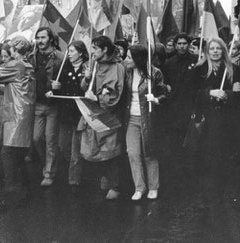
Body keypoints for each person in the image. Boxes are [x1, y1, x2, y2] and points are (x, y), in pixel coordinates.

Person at [70, 36, 125, 200]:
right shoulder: (92, 65)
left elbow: (117, 94)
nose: (91, 51)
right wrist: (86, 79)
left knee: (111, 150)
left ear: (105, 49)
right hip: (91, 114)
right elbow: (84, 88)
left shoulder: (118, 68)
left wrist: (100, 99)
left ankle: (115, 185)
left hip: (108, 115)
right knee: (94, 149)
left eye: (94, 48)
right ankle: (104, 177)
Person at [190, 37, 240, 216]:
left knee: (224, 158)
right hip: (206, 121)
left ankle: (222, 197)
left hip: (227, 121)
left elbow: (238, 93)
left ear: (224, 50)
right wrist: (209, 92)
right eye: (212, 48)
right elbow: (190, 94)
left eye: (219, 48)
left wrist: (227, 95)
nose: (215, 51)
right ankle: (204, 197)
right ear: (207, 51)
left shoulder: (234, 70)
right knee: (205, 159)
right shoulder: (200, 70)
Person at [0, 36, 36, 201]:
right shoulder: (26, 64)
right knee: (17, 155)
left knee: (7, 153)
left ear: (15, 50)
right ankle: (25, 189)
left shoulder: (16, 64)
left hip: (16, 114)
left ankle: (11, 191)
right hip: (22, 112)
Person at [122, 44, 168, 200]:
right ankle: (139, 187)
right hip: (131, 118)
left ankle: (153, 186)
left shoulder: (155, 73)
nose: (125, 60)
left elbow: (164, 94)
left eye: (129, 57)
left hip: (148, 118)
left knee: (149, 152)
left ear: (138, 59)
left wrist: (155, 99)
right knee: (133, 153)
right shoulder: (126, 72)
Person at [29, 26, 64, 186]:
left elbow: (69, 81)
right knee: (36, 138)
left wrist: (59, 86)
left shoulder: (60, 58)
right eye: (38, 38)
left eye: (43, 37)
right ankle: (47, 163)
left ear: (50, 39)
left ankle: (49, 173)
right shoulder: (31, 57)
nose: (40, 41)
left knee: (50, 140)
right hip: (37, 104)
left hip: (53, 106)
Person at [50, 41, 89, 162]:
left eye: (72, 51)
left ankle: (74, 179)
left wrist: (87, 78)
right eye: (68, 51)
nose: (69, 54)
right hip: (65, 113)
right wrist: (54, 88)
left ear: (81, 53)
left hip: (79, 113)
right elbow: (59, 90)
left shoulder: (87, 68)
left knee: (76, 150)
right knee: (63, 145)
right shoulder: (64, 67)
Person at [163, 33, 197, 164]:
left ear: (188, 45)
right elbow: (166, 83)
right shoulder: (169, 63)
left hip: (190, 105)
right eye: (179, 44)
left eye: (184, 44)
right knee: (175, 140)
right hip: (175, 107)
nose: (182, 46)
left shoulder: (196, 60)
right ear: (176, 45)